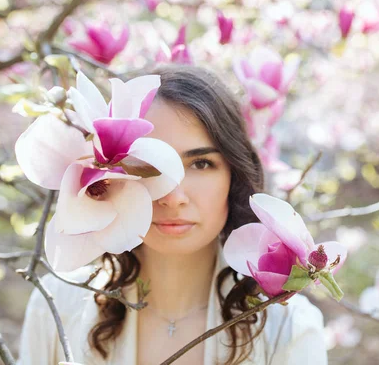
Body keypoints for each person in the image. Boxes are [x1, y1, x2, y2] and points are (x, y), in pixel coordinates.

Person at [17, 65, 328, 365]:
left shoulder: (288, 329)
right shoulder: (56, 306)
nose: (174, 198)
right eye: (149, 165)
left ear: (234, 175)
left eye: (201, 164)